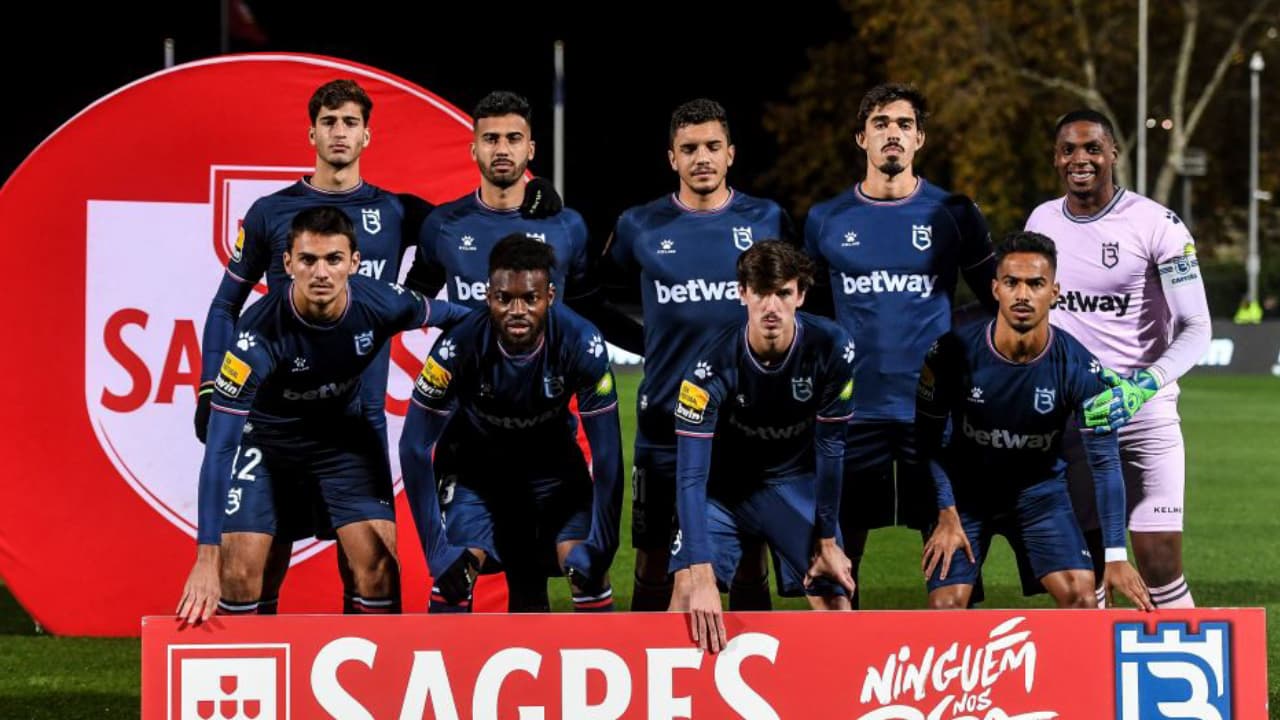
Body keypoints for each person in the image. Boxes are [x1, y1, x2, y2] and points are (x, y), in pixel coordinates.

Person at [176, 206, 467, 623]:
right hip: (270, 443)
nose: (321, 272)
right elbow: (221, 448)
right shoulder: (256, 338)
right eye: (308, 260)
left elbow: (461, 320)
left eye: (333, 259)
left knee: (380, 570)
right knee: (238, 571)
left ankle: (379, 683)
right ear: (288, 263)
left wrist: (463, 378)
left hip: (344, 440)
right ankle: (256, 681)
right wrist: (206, 558)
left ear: (354, 262)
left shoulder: (381, 302)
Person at [803, 82, 998, 606]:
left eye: (905, 125)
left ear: (920, 141)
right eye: (881, 124)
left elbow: (998, 300)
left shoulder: (954, 214)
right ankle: (840, 682)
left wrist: (960, 355)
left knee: (953, 585)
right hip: (851, 417)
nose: (893, 133)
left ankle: (955, 682)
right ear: (861, 139)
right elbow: (812, 314)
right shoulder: (826, 219)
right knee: (835, 583)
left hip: (933, 421)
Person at [606, 98, 794, 611]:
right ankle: (646, 672)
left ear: (730, 153)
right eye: (689, 149)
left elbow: (794, 301)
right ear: (672, 158)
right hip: (664, 422)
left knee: (750, 555)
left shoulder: (766, 218)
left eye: (712, 146)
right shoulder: (639, 226)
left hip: (745, 426)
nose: (702, 158)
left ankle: (757, 668)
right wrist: (647, 343)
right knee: (650, 560)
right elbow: (588, 295)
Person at [1026, 110, 1211, 608]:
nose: (1079, 159)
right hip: (1074, 420)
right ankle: (1097, 684)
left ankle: (1188, 679)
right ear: (1056, 158)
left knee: (1159, 560)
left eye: (1091, 148)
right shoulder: (1041, 221)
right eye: (1068, 150)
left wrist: (1143, 386)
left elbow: (1198, 328)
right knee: (1084, 569)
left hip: (1144, 415)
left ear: (1113, 154)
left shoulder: (1156, 223)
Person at [916, 230, 1151, 611]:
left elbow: (1105, 462)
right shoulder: (950, 353)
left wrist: (1116, 554)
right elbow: (926, 439)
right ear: (995, 289)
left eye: (1035, 284)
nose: (1023, 295)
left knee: (1082, 598)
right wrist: (944, 511)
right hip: (965, 497)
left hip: (1039, 495)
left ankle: (1066, 674)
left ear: (1054, 293)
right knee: (946, 608)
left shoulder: (1079, 367)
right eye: (1012, 283)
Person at [399, 235, 624, 613]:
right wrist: (437, 553)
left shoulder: (582, 342)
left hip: (554, 476)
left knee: (587, 569)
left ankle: (591, 670)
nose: (517, 310)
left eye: (530, 299)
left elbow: (607, 456)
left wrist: (603, 545)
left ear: (550, 296)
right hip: (477, 475)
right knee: (452, 578)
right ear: (489, 296)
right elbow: (413, 447)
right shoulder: (459, 346)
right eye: (504, 299)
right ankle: (443, 671)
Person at [669, 241, 856, 653]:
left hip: (792, 483)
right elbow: (691, 475)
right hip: (723, 490)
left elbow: (831, 451)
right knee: (685, 600)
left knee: (835, 599)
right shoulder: (707, 366)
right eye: (760, 293)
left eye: (783, 293)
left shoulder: (832, 348)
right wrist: (699, 575)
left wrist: (826, 541)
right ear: (742, 293)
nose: (771, 307)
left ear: (801, 296)